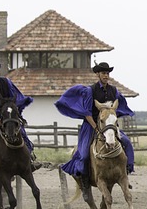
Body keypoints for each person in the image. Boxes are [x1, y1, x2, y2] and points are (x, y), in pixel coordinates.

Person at [55, 62, 135, 201]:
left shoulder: (114, 90)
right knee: (84, 154)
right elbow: (87, 113)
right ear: (98, 75)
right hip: (91, 126)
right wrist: (96, 128)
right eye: (104, 73)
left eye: (107, 73)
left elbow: (117, 106)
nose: (106, 76)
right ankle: (84, 181)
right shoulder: (90, 91)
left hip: (108, 126)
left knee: (127, 143)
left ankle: (126, 173)